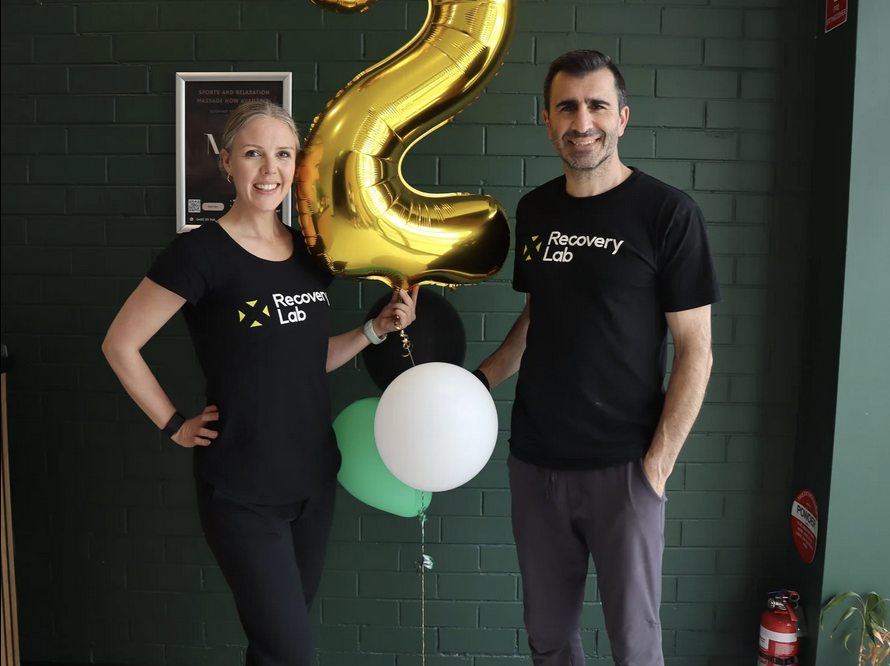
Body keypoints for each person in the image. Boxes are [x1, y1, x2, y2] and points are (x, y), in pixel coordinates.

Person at [102, 100, 418, 666]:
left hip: (313, 483)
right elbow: (119, 345)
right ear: (227, 163)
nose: (269, 168)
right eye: (253, 153)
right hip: (243, 492)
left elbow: (304, 360)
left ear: (297, 165)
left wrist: (374, 329)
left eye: (283, 154)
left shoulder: (313, 255)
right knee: (291, 652)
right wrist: (174, 425)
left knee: (276, 648)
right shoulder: (197, 254)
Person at [473, 50, 721, 665]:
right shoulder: (536, 210)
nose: (582, 120)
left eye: (596, 105)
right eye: (567, 107)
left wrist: (655, 469)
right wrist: (477, 380)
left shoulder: (668, 214)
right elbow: (542, 315)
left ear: (622, 117)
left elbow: (697, 350)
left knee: (635, 648)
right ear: (547, 120)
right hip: (536, 464)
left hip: (625, 469)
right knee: (549, 640)